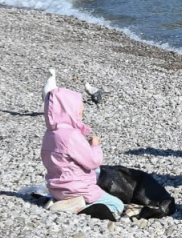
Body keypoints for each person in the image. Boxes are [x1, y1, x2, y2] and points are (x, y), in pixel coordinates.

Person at [41, 87, 125, 221]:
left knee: (96, 176)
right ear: (68, 110)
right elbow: (93, 162)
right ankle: (77, 207)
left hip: (56, 188)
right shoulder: (71, 135)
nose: (81, 112)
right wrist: (94, 145)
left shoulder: (50, 134)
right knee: (117, 204)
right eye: (79, 109)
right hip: (76, 189)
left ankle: (58, 201)